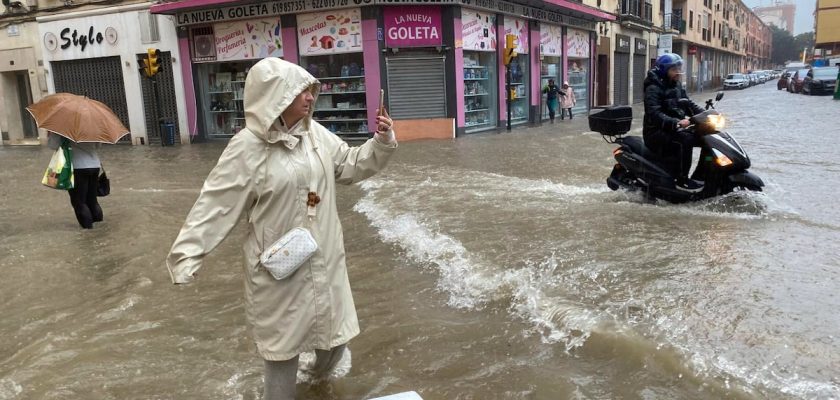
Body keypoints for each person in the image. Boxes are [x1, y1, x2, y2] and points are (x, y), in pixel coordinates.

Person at [165, 58, 397, 400]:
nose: (309, 97)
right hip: (280, 270)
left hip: (325, 259)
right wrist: (187, 254)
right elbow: (215, 204)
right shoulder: (246, 148)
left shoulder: (314, 135)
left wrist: (381, 141)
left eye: (309, 90)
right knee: (281, 355)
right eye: (300, 91)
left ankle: (315, 387)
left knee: (335, 340)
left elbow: (349, 165)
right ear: (276, 96)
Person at [642, 53, 705, 192]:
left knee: (705, 137)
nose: (678, 72)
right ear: (664, 70)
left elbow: (688, 104)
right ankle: (681, 180)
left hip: (673, 129)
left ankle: (704, 175)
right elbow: (654, 113)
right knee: (686, 140)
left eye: (679, 68)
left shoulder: (676, 85)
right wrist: (677, 122)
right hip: (655, 132)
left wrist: (706, 114)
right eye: (674, 69)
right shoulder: (653, 88)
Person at [47, 132, 102, 229]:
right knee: (92, 200)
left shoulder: (62, 128)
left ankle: (88, 233)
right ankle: (100, 229)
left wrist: (52, 134)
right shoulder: (91, 126)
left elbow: (53, 145)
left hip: (77, 167)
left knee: (79, 202)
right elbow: (98, 146)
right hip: (94, 165)